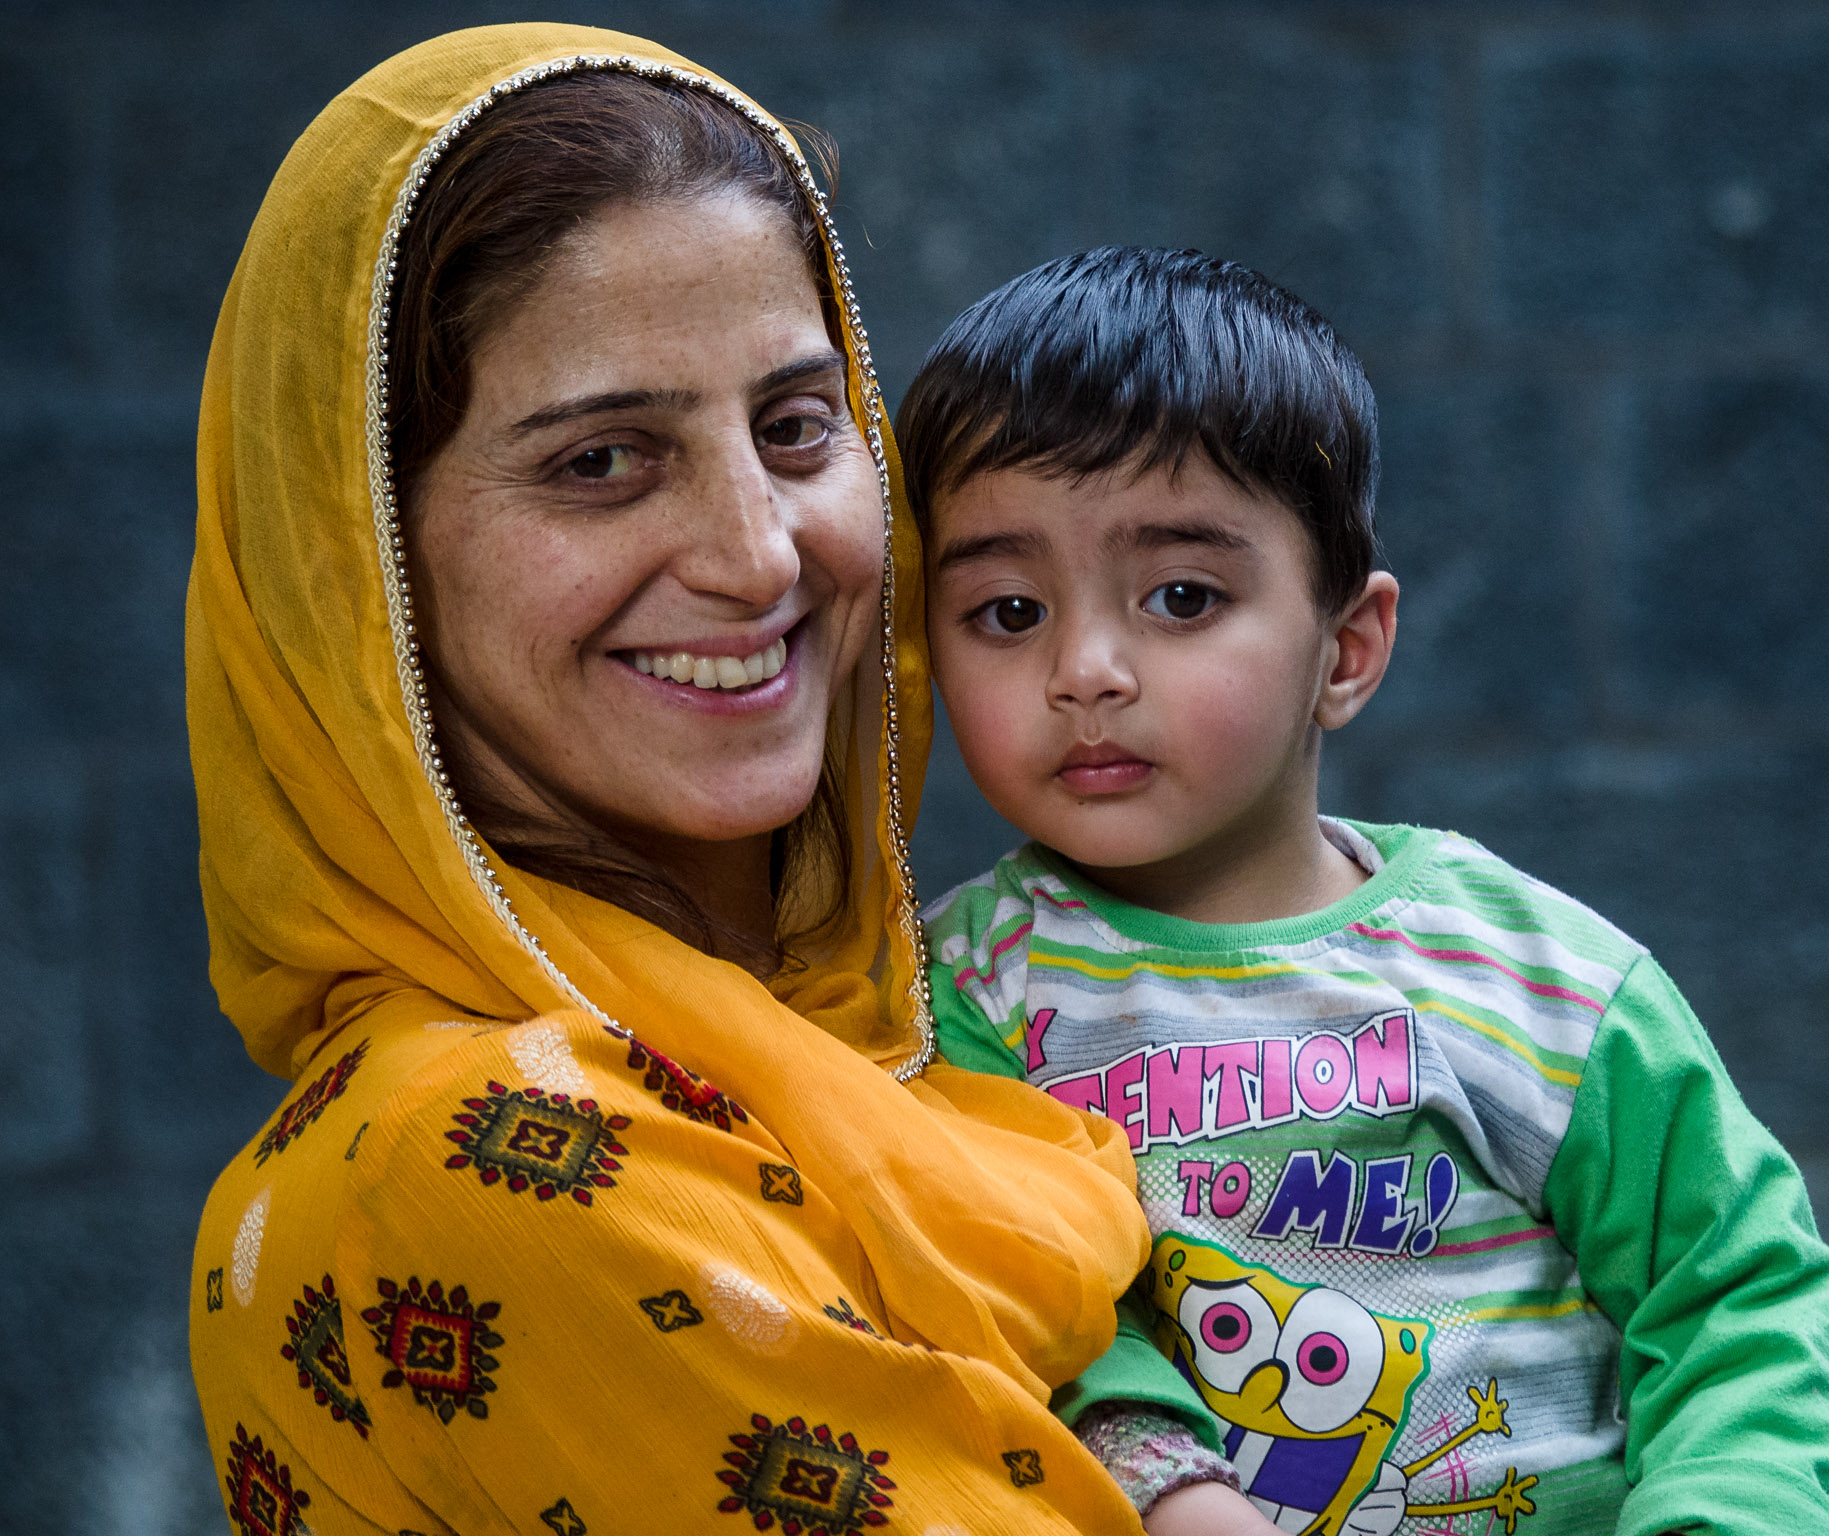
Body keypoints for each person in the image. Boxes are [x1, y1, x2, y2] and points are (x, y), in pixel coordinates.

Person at [187, 28, 1223, 1535]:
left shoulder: (916, 1035)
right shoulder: (488, 1159)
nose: (757, 554)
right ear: (359, 569)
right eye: (602, 461)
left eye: (797, 428)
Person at [903, 247, 1829, 1536]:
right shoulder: (963, 991)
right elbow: (1003, 1296)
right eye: (1008, 611)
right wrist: (1169, 1490)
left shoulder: (1535, 979)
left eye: (1181, 597)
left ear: (1344, 649)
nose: (1085, 669)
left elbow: (1741, 1298)